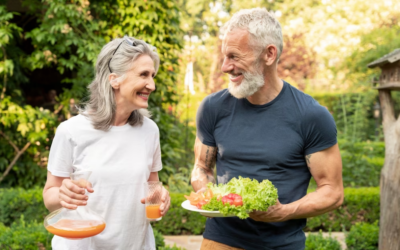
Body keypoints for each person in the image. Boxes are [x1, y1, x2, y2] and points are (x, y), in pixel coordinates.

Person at [191, 8, 343, 250]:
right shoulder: (212, 108)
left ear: (269, 54)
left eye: (234, 56)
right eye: (224, 56)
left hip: (282, 244)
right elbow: (201, 168)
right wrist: (211, 196)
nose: (224, 67)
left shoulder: (311, 115)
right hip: (220, 241)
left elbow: (333, 191)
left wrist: (284, 211)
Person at [43, 36, 170, 250]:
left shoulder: (150, 131)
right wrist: (64, 193)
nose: (152, 85)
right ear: (114, 79)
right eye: (143, 75)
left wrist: (161, 196)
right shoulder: (71, 131)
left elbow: (152, 187)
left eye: (153, 76)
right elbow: (50, 195)